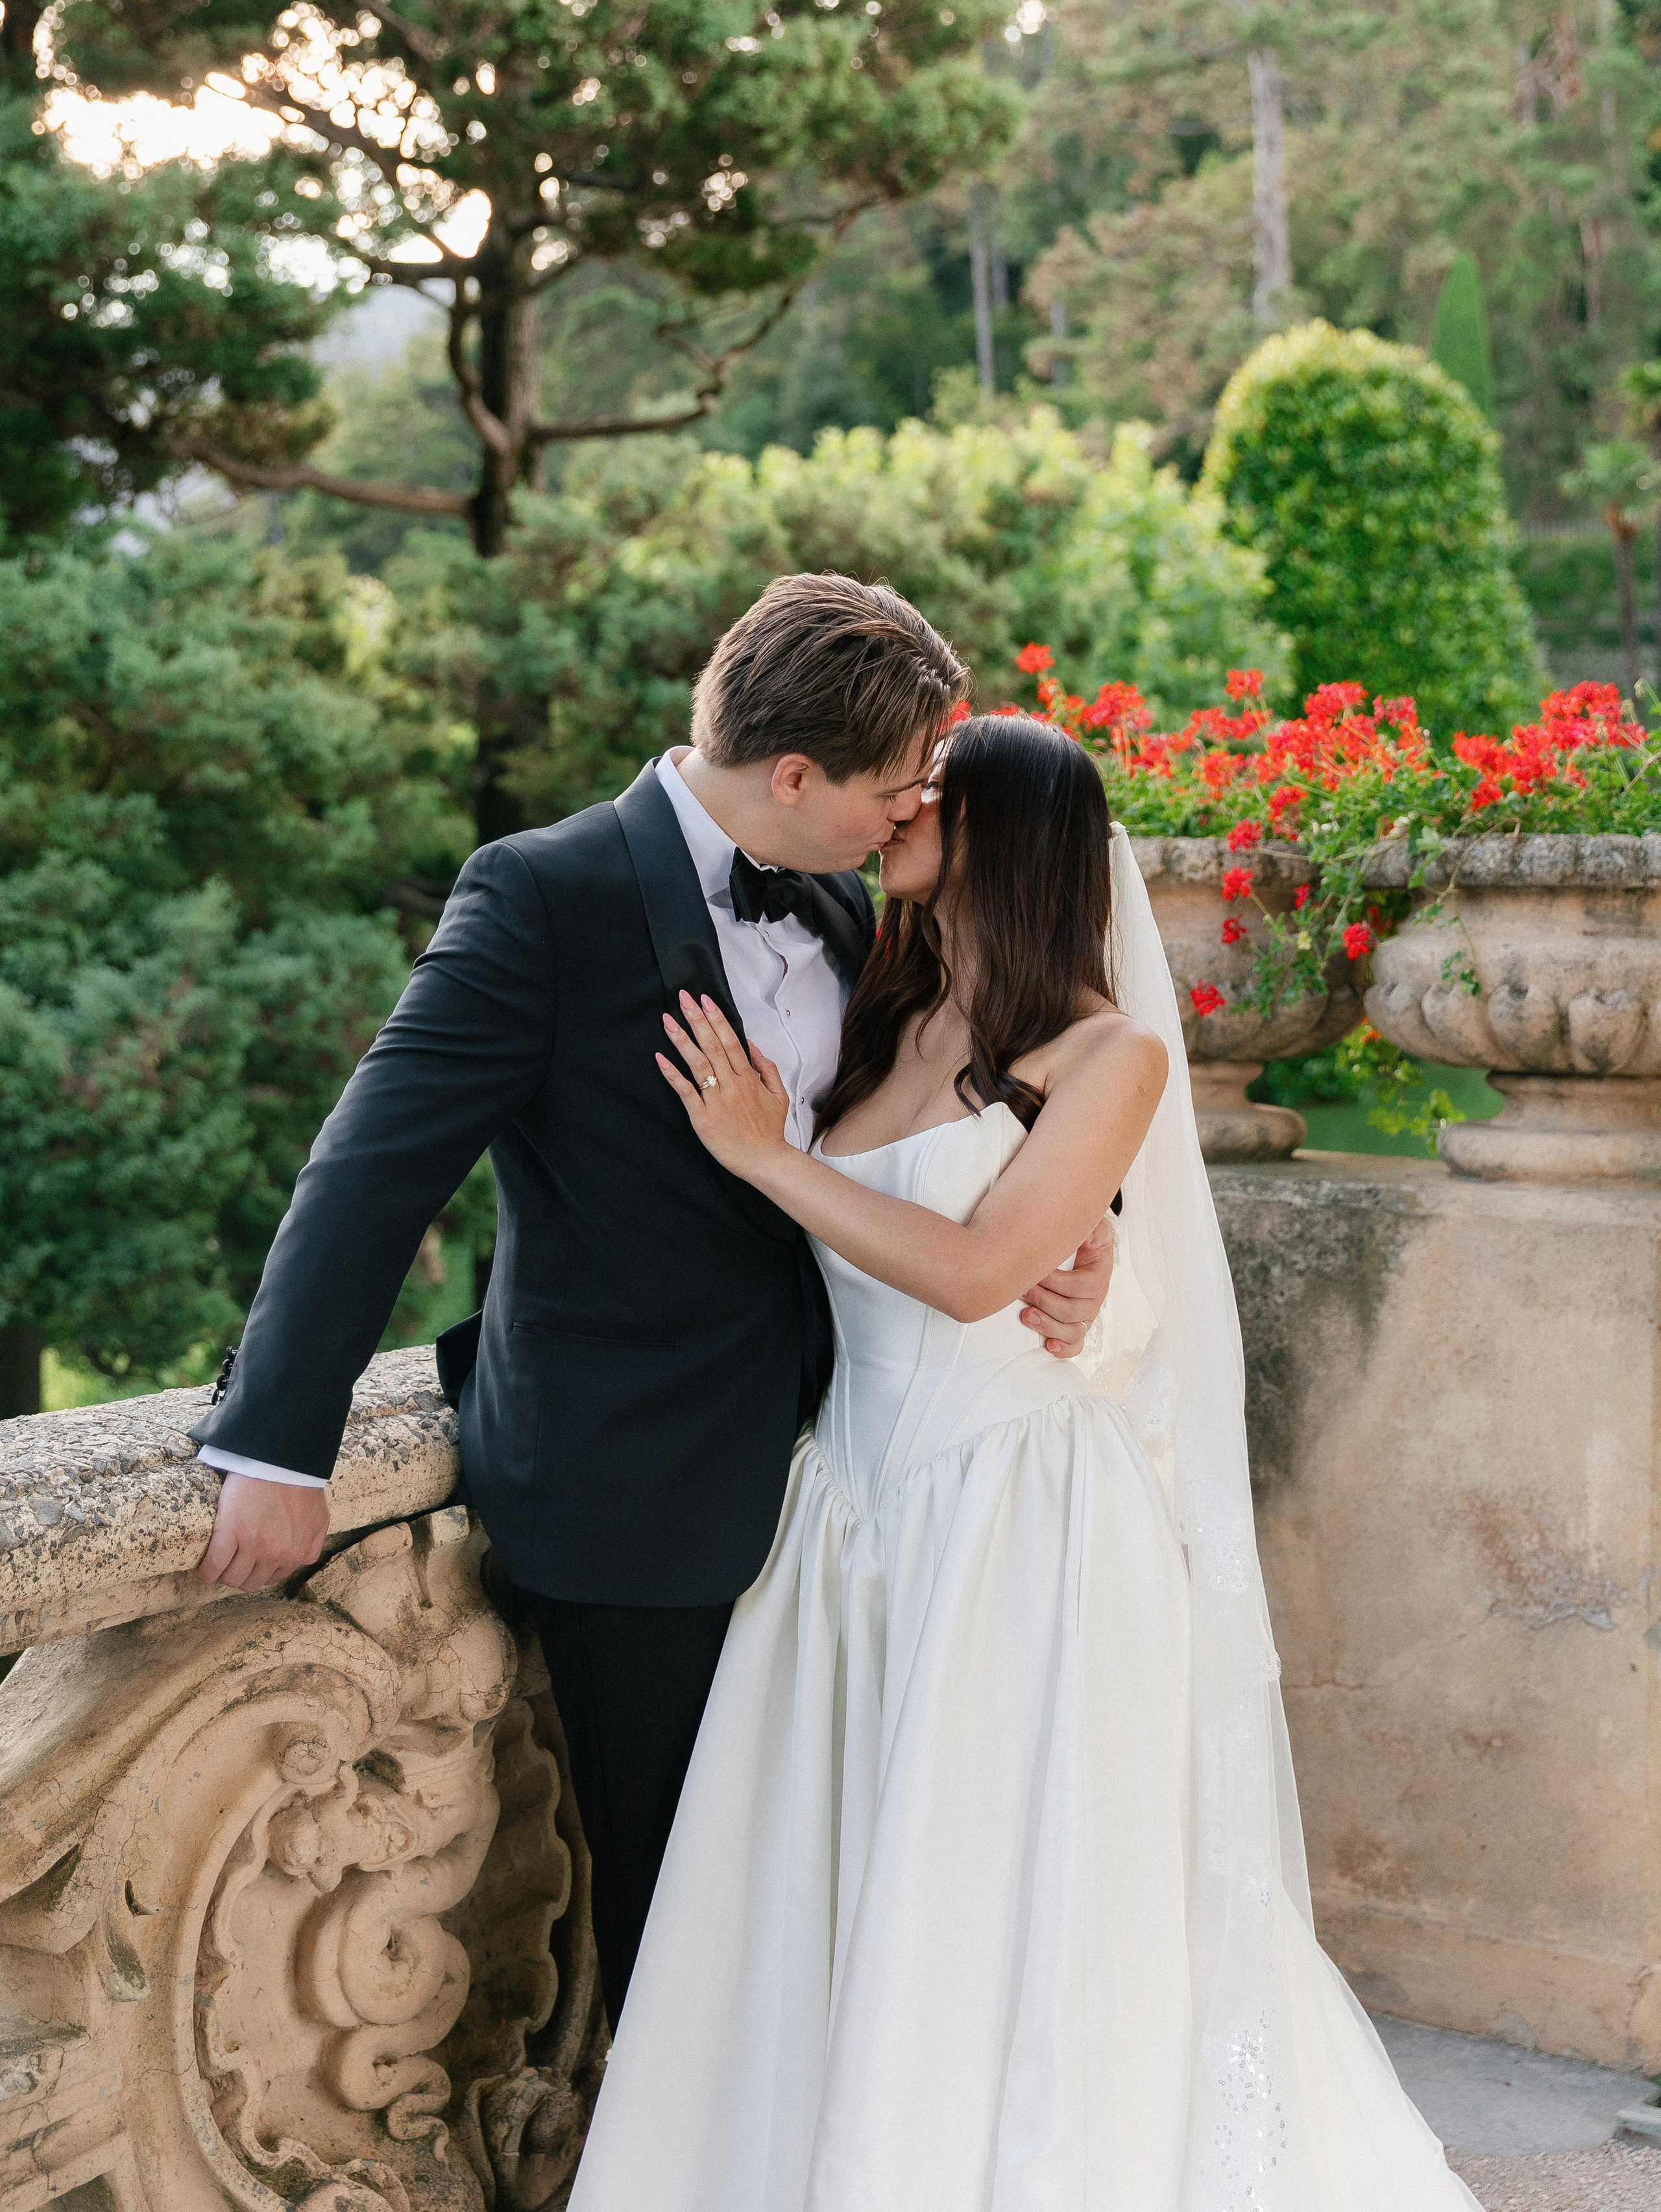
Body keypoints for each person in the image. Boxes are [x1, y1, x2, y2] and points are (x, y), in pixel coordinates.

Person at [567, 712, 1481, 2212]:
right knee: (829, 1894)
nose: (899, 804)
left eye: (933, 788)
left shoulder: (1107, 1050)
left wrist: (770, 1157)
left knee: (992, 1895)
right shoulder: (885, 999)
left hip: (1014, 1525)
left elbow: (984, 1267)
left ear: (1004, 826)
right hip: (851, 1511)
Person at [188, 574, 1116, 2034]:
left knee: (847, 1898)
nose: (911, 814)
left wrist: (1087, 1235)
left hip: (853, 1484)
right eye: (894, 786)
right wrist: (277, 1446)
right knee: (684, 1923)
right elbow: (370, 1168)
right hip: (633, 1494)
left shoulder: (838, 898)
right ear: (795, 773)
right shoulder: (538, 897)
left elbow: (977, 1095)